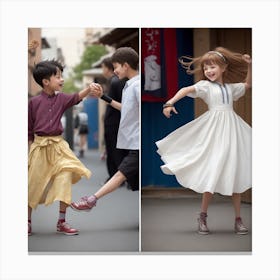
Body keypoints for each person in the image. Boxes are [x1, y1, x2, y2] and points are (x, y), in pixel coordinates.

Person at [156, 47, 252, 235]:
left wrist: (251, 65)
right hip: (213, 131)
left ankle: (238, 219)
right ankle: (202, 216)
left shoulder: (230, 89)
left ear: (223, 67)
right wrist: (169, 103)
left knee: (236, 172)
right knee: (211, 172)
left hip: (232, 130)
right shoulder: (206, 87)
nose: (208, 71)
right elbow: (185, 89)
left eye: (212, 66)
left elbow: (248, 85)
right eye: (206, 68)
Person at [28, 59, 94, 236]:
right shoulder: (33, 103)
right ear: (46, 81)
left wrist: (89, 88)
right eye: (58, 76)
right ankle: (26, 221)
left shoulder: (63, 99)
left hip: (58, 146)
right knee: (32, 184)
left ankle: (62, 222)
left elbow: (76, 97)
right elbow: (28, 130)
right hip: (39, 147)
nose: (62, 79)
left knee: (64, 178)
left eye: (61, 75)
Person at [71, 47, 139, 212]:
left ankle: (92, 200)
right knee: (131, 178)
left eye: (115, 67)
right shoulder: (130, 85)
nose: (114, 71)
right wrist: (103, 96)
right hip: (133, 142)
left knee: (120, 174)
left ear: (125, 65)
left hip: (138, 143)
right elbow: (125, 108)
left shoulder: (136, 86)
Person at [101, 57, 128, 181]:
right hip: (118, 121)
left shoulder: (115, 81)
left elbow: (112, 102)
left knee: (114, 151)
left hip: (113, 122)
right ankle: (117, 177)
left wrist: (102, 96)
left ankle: (116, 177)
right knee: (117, 150)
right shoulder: (119, 81)